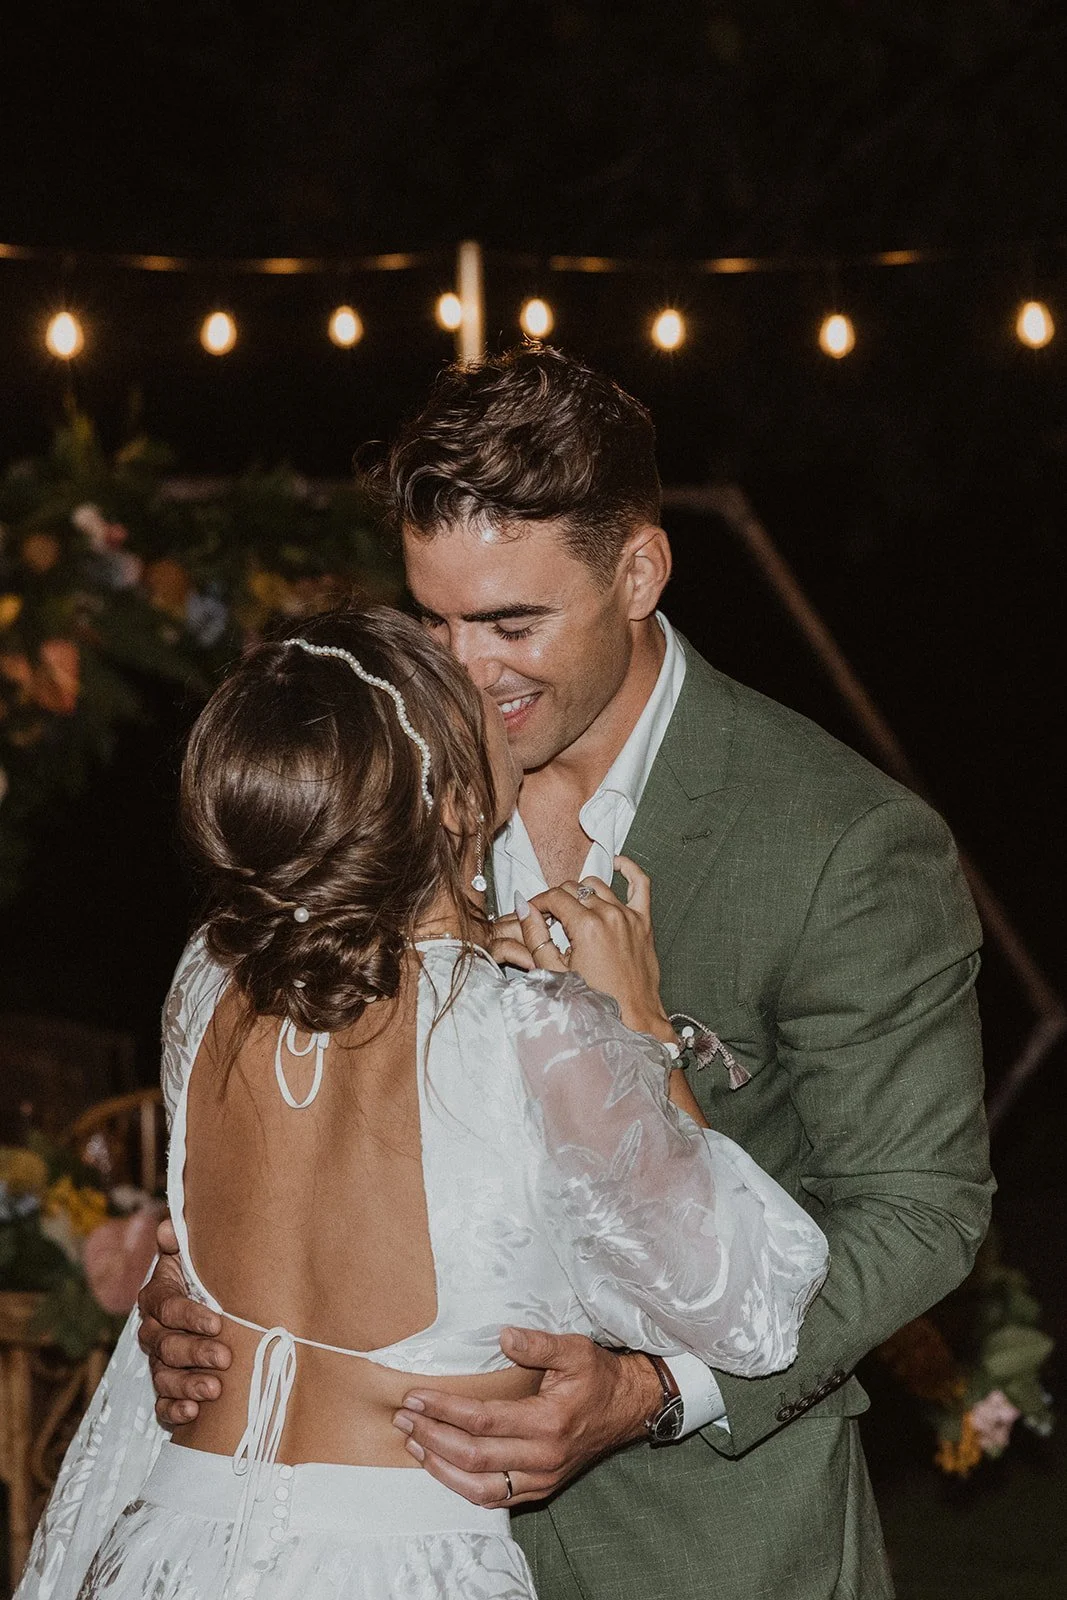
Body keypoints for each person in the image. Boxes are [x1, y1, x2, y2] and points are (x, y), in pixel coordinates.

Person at [140, 347, 994, 1599]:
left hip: (698, 1548)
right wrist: (216, 1301)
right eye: (431, 619)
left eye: (510, 623)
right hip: (388, 1542)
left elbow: (918, 1210)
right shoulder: (385, 778)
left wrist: (653, 1390)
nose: (461, 671)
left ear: (637, 572)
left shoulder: (835, 840)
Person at [16, 606, 827, 1600]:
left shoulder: (209, 982)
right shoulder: (535, 1032)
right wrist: (637, 1030)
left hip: (164, 1554)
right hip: (397, 1564)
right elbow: (747, 1307)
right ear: (453, 805)